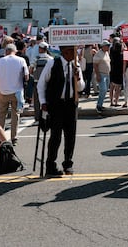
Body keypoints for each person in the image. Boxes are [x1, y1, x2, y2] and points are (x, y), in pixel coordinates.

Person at [38, 46, 85, 176]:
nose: (75, 54)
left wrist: (78, 78)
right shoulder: (52, 63)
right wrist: (43, 102)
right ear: (65, 52)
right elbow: (41, 84)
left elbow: (81, 88)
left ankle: (68, 163)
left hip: (70, 104)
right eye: (73, 52)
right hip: (56, 105)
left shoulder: (76, 65)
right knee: (55, 137)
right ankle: (50, 165)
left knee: (70, 136)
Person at [0, 42, 29, 145]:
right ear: (15, 51)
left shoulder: (0, 61)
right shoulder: (21, 60)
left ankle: (0, 138)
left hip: (3, 91)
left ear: (6, 51)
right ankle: (14, 137)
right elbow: (26, 76)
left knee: (1, 115)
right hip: (17, 92)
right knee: (15, 115)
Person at [93, 40, 111, 112]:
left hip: (107, 74)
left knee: (105, 90)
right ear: (103, 46)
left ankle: (100, 104)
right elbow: (95, 64)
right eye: (107, 45)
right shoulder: (98, 54)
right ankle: (98, 106)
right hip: (101, 74)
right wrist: (98, 75)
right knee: (103, 89)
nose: (108, 47)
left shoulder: (106, 53)